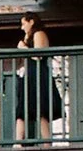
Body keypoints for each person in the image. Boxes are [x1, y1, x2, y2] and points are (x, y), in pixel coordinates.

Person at [11, 14, 60, 142]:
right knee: (22, 108)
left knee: (41, 109)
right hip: (28, 73)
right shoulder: (28, 37)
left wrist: (23, 48)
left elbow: (38, 56)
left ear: (31, 22)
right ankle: (18, 142)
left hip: (38, 73)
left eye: (23, 24)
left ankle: (46, 142)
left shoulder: (39, 34)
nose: (22, 28)